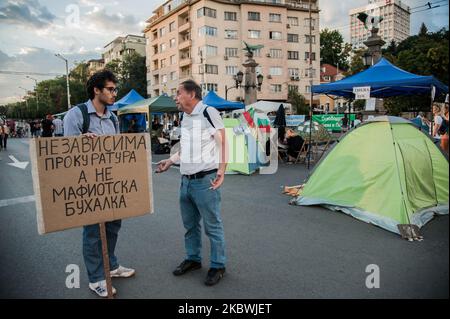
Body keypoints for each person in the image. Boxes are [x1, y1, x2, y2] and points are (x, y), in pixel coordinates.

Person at [63, 70, 135, 297]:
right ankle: (96, 278)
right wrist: (80, 143)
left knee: (113, 226)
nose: (114, 94)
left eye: (115, 89)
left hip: (111, 183)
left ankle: (111, 266)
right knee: (93, 232)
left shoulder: (113, 117)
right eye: (111, 89)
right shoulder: (76, 115)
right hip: (88, 185)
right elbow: (63, 154)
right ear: (97, 90)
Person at [156, 80, 228, 286]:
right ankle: (193, 259)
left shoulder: (208, 112)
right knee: (190, 226)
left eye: (178, 93)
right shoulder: (185, 118)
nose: (175, 97)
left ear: (192, 94)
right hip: (185, 181)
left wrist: (222, 170)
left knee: (212, 226)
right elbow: (186, 148)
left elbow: (223, 142)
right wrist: (170, 161)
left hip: (205, 180)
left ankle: (218, 265)